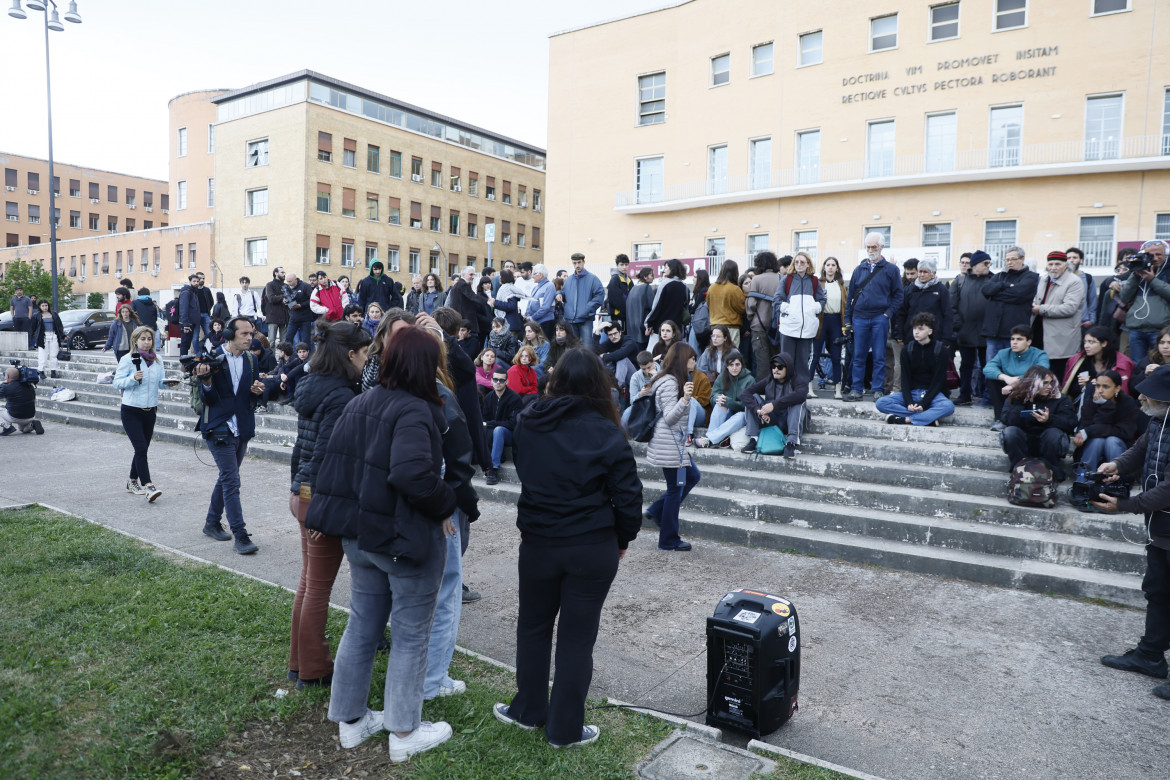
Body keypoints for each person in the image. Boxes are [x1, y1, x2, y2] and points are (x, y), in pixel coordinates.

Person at [306, 327, 457, 761]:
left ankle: (351, 721)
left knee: (363, 625)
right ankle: (405, 733)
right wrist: (446, 502)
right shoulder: (414, 410)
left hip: (362, 538)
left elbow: (332, 468)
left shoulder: (360, 403)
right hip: (401, 540)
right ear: (426, 366)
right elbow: (411, 474)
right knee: (410, 635)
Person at [494, 348, 642, 747]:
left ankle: (529, 709)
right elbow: (628, 498)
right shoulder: (605, 431)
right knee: (576, 638)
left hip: (544, 540)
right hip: (588, 544)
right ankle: (561, 728)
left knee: (535, 626)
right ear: (598, 384)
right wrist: (622, 538)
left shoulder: (529, 422)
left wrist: (621, 537)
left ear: (557, 381)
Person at [287, 320, 371, 689]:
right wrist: (317, 508)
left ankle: (299, 662)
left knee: (308, 584)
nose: (368, 360)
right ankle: (315, 669)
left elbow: (305, 454)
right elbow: (325, 458)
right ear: (350, 354)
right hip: (317, 499)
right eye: (366, 353)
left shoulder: (312, 385)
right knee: (318, 588)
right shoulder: (341, 398)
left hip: (303, 494)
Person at [1093, 365, 1170, 701]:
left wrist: (1125, 505)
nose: (1140, 397)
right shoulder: (1157, 421)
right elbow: (1140, 451)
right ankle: (1150, 656)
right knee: (1157, 591)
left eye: (1147, 392)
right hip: (1162, 529)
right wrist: (1117, 465)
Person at [194, 316, 265, 556]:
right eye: (244, 334)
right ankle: (241, 535)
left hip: (242, 426)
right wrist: (205, 381)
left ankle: (211, 523)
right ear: (229, 334)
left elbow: (251, 398)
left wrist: (257, 392)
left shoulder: (252, 359)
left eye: (251, 333)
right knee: (232, 480)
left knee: (227, 477)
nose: (249, 338)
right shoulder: (212, 357)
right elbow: (208, 400)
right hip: (218, 426)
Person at [643, 342, 700, 551]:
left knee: (692, 477)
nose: (695, 361)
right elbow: (668, 418)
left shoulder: (675, 379)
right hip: (668, 444)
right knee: (675, 490)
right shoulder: (669, 383)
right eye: (692, 358)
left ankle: (658, 510)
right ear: (683, 359)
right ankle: (668, 540)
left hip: (674, 443)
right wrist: (685, 399)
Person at [112, 325, 172, 500]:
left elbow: (160, 383)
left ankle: (132, 481)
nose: (147, 343)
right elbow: (117, 383)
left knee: (142, 449)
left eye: (149, 339)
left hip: (150, 410)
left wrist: (168, 383)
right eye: (143, 339)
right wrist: (132, 378)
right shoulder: (128, 359)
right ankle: (148, 485)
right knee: (140, 448)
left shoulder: (158, 360)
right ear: (135, 341)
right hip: (131, 410)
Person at [844, 233, 904, 401]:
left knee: (879, 356)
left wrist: (887, 314)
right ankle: (857, 389)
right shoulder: (859, 269)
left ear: (882, 247)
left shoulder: (892, 270)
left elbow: (898, 296)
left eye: (874, 247)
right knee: (858, 356)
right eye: (868, 246)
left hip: (880, 317)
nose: (870, 250)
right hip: (859, 318)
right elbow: (850, 298)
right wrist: (847, 320)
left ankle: (878, 389)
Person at [876, 312, 955, 427]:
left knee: (948, 407)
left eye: (921, 329)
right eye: (914, 328)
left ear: (930, 331)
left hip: (932, 394)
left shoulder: (940, 350)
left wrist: (924, 403)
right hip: (912, 392)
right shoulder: (907, 350)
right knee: (881, 403)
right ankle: (927, 418)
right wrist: (909, 402)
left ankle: (905, 419)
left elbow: (938, 381)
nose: (916, 332)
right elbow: (905, 379)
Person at [999, 366, 1077, 481]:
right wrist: (1021, 399)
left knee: (1054, 433)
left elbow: (1071, 423)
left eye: (1051, 383)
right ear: (1033, 384)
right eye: (1045, 383)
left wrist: (1049, 419)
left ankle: (1052, 470)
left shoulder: (1060, 399)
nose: (1049, 387)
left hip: (1049, 444)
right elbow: (1006, 420)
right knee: (1010, 432)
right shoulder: (1017, 397)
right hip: (1024, 443)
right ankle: (1018, 469)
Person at [741, 352, 809, 458]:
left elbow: (801, 395)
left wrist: (774, 405)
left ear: (788, 368)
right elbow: (745, 393)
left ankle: (791, 443)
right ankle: (754, 439)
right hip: (771, 419)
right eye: (773, 366)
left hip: (790, 420)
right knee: (752, 398)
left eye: (780, 367)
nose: (775, 370)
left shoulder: (798, 380)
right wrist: (758, 411)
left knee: (798, 401)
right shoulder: (769, 380)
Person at [982, 246, 1040, 369]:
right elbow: (986, 290)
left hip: (1015, 334)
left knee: (1013, 370)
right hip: (994, 333)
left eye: (1013, 259)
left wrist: (996, 294)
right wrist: (1005, 285)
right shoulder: (999, 276)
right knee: (992, 369)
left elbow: (1018, 294)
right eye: (1007, 260)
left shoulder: (1031, 277)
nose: (1009, 262)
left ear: (1022, 259)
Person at [1031, 250, 1086, 382]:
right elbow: (1040, 298)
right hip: (1040, 331)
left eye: (1057, 264)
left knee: (1057, 374)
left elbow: (1069, 308)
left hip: (1061, 337)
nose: (1053, 267)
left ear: (1066, 265)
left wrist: (1041, 309)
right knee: (1041, 372)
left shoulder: (1074, 281)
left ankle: (1058, 401)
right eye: (1050, 264)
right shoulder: (1044, 278)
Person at [984, 325, 1051, 430]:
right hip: (1007, 385)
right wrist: (1006, 378)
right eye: (1012, 339)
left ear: (1029, 342)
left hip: (1029, 387)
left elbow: (1041, 372)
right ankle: (1000, 419)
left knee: (1038, 380)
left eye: (1019, 339)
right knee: (992, 379)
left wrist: (1016, 383)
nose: (1014, 342)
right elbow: (988, 368)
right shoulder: (1004, 353)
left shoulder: (1040, 354)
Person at [773, 251, 825, 387]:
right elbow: (777, 300)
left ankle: (801, 390)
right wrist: (789, 310)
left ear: (808, 264)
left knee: (803, 361)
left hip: (807, 329)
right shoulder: (787, 280)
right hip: (789, 328)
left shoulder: (814, 281)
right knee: (786, 360)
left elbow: (821, 300)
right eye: (796, 262)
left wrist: (815, 308)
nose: (799, 264)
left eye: (802, 262)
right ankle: (785, 389)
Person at [1072, 370, 1140, 471]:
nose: (1100, 390)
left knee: (1111, 441)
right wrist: (1105, 405)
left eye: (1106, 387)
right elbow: (1086, 426)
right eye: (1098, 386)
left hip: (1120, 448)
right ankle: (1083, 482)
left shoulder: (1127, 403)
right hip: (1092, 448)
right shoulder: (1091, 401)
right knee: (1097, 440)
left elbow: (1124, 432)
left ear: (1117, 388)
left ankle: (1116, 482)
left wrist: (1090, 431)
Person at [951, 251, 992, 406]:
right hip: (965, 331)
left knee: (988, 366)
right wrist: (958, 325)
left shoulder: (993, 280)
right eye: (985, 263)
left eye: (989, 263)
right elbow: (952, 305)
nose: (988, 266)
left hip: (986, 332)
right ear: (975, 265)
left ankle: (988, 396)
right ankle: (965, 395)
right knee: (966, 366)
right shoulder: (960, 281)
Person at [1119, 240, 1170, 360]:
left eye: (1159, 254)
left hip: (1161, 330)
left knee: (1160, 364)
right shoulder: (1137, 271)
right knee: (1138, 366)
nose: (1155, 258)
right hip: (1136, 329)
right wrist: (1136, 273)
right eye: (1151, 255)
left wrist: (1152, 280)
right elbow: (1124, 297)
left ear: (1166, 254)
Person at [696, 350, 753, 448]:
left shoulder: (749, 380)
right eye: (731, 365)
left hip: (742, 417)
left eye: (737, 365)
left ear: (742, 365)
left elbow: (747, 405)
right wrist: (717, 398)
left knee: (741, 415)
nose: (734, 368)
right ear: (727, 366)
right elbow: (712, 397)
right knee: (720, 404)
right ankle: (711, 438)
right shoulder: (722, 377)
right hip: (725, 415)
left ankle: (709, 439)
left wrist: (729, 402)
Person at [1061, 326, 1134, 403]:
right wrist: (1081, 386)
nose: (1086, 346)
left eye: (1091, 342)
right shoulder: (1080, 362)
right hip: (1085, 405)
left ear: (1104, 343)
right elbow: (1070, 392)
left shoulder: (1121, 363)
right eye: (1085, 342)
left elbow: (1124, 392)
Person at [811, 257, 848, 399]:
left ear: (837, 268)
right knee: (815, 356)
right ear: (824, 267)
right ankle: (809, 389)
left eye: (833, 265)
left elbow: (845, 307)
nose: (831, 267)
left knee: (836, 357)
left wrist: (845, 327)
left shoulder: (841, 286)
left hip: (836, 322)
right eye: (828, 265)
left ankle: (838, 390)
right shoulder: (818, 284)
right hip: (821, 321)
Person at [482, 366, 523, 485]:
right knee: (484, 428)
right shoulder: (489, 397)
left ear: (507, 382)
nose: (498, 382)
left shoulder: (514, 398)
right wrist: (488, 424)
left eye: (501, 380)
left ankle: (493, 469)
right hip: (493, 433)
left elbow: (513, 423)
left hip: (510, 434)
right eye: (495, 379)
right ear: (491, 380)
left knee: (498, 430)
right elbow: (484, 418)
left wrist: (491, 423)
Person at [559, 253, 605, 344]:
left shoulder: (593, 279)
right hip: (571, 320)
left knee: (586, 348)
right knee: (572, 349)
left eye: (579, 262)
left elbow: (600, 296)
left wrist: (587, 309)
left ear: (584, 262)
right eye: (574, 263)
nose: (577, 265)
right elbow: (564, 293)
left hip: (586, 319)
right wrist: (559, 294)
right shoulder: (568, 280)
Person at [645, 259, 690, 346]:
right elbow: (685, 307)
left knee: (656, 353)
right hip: (675, 328)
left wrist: (648, 324)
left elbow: (656, 306)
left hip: (660, 327)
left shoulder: (664, 284)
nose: (664, 270)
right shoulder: (684, 287)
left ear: (672, 269)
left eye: (666, 267)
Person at [707, 259, 746, 348]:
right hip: (731, 326)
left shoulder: (712, 288)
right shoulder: (735, 289)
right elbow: (742, 308)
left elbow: (708, 304)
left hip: (715, 326)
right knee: (731, 355)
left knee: (717, 355)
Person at [0, 365, 43, 436]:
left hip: (15, 416)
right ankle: (32, 424)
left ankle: (7, 427)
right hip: (30, 416)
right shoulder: (29, 385)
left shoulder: (7, 387)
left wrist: (4, 383)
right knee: (23, 430)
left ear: (7, 376)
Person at [1066, 247, 1098, 334]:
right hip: (1065, 323)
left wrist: (1091, 320)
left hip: (1083, 323)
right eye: (1068, 258)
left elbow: (1093, 301)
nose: (1071, 260)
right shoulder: (1061, 278)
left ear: (1081, 260)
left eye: (1075, 257)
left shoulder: (1088, 278)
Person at [30, 300, 64, 378]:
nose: (45, 307)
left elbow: (59, 326)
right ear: (39, 306)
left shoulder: (54, 314)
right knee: (43, 355)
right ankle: (41, 371)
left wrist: (63, 335)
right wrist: (33, 337)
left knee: (54, 355)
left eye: (46, 305)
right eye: (43, 306)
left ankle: (53, 372)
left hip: (53, 335)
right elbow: (33, 328)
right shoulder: (36, 315)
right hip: (43, 336)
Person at [625, 267, 657, 351]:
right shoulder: (647, 288)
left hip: (632, 327)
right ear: (645, 277)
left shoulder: (633, 289)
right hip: (643, 328)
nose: (653, 277)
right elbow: (653, 308)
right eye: (651, 275)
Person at [525, 264, 559, 341]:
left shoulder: (549, 286)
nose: (532, 276)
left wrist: (532, 317)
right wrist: (527, 314)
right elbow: (530, 302)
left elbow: (545, 307)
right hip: (535, 322)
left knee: (544, 345)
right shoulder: (535, 287)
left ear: (540, 275)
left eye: (533, 274)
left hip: (545, 322)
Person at [285, 271, 316, 349]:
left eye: (290, 281)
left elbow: (312, 300)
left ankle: (307, 358)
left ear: (296, 279)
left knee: (306, 340)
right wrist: (285, 301)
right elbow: (285, 297)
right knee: (288, 338)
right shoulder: (286, 287)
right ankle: (288, 357)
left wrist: (300, 305)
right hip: (293, 317)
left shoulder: (305, 286)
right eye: (287, 281)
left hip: (305, 318)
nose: (289, 283)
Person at [493, 269, 528, 336]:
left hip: (510, 325)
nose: (499, 278)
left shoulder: (509, 289)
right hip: (508, 324)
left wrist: (495, 303)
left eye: (500, 276)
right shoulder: (507, 288)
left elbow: (511, 306)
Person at [606, 254, 633, 333]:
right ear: (617, 265)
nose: (624, 267)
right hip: (618, 316)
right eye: (621, 264)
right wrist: (628, 310)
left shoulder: (629, 279)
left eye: (626, 264)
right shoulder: (615, 279)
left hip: (627, 315)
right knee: (618, 338)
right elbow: (615, 300)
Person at [178, 273, 203, 357]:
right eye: (194, 281)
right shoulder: (187, 292)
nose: (196, 283)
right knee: (185, 344)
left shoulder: (193, 292)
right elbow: (183, 308)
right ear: (190, 282)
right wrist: (185, 324)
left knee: (187, 343)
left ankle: (185, 361)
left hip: (192, 322)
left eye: (197, 281)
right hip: (187, 323)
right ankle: (183, 362)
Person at [264, 267, 290, 346]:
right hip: (273, 317)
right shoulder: (270, 285)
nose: (284, 274)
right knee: (271, 341)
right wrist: (283, 297)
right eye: (282, 272)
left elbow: (290, 298)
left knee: (284, 342)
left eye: (284, 272)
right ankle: (271, 358)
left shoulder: (286, 286)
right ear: (276, 273)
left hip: (284, 317)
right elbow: (271, 298)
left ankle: (283, 358)